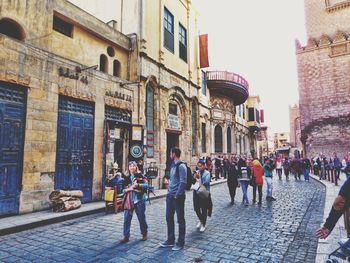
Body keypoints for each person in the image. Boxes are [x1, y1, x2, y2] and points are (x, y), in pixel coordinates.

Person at [160, 147, 187, 251]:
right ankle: (170, 240)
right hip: (170, 196)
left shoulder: (181, 166)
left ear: (174, 154)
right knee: (168, 217)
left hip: (177, 197)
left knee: (180, 220)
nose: (169, 154)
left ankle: (180, 242)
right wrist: (169, 191)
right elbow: (172, 180)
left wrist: (177, 194)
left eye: (170, 153)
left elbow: (183, 182)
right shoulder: (172, 165)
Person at [120, 161, 148, 243]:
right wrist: (129, 189)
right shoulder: (126, 177)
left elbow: (146, 185)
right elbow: (122, 190)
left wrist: (138, 185)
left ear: (136, 167)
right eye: (130, 166)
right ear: (128, 168)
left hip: (139, 200)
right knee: (127, 219)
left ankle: (144, 233)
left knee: (141, 218)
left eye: (133, 166)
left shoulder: (140, 175)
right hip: (129, 200)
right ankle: (126, 236)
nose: (132, 167)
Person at [192, 159, 212, 232]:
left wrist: (199, 178)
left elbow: (206, 182)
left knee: (204, 209)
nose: (199, 167)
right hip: (196, 192)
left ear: (204, 166)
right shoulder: (197, 172)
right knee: (196, 208)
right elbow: (192, 182)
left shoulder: (207, 173)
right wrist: (194, 177)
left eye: (200, 166)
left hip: (203, 192)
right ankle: (201, 220)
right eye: (198, 166)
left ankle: (203, 224)